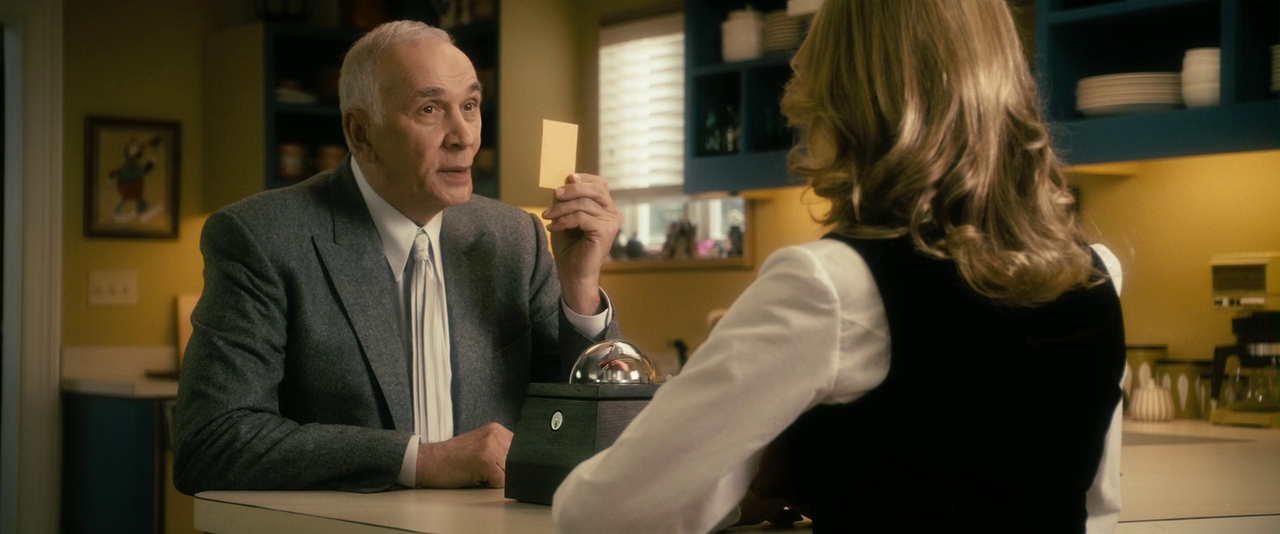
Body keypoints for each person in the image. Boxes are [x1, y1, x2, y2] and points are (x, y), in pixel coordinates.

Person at [552, 1, 1125, 532]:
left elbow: (598, 512)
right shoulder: (1095, 274)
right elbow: (1095, 510)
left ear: (838, 93)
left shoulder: (827, 284)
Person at [174, 20, 622, 494]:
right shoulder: (260, 237)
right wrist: (422, 461)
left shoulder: (515, 237)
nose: (464, 136)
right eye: (430, 109)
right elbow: (212, 442)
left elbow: (594, 427)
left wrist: (581, 289)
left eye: (470, 106)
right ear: (361, 133)